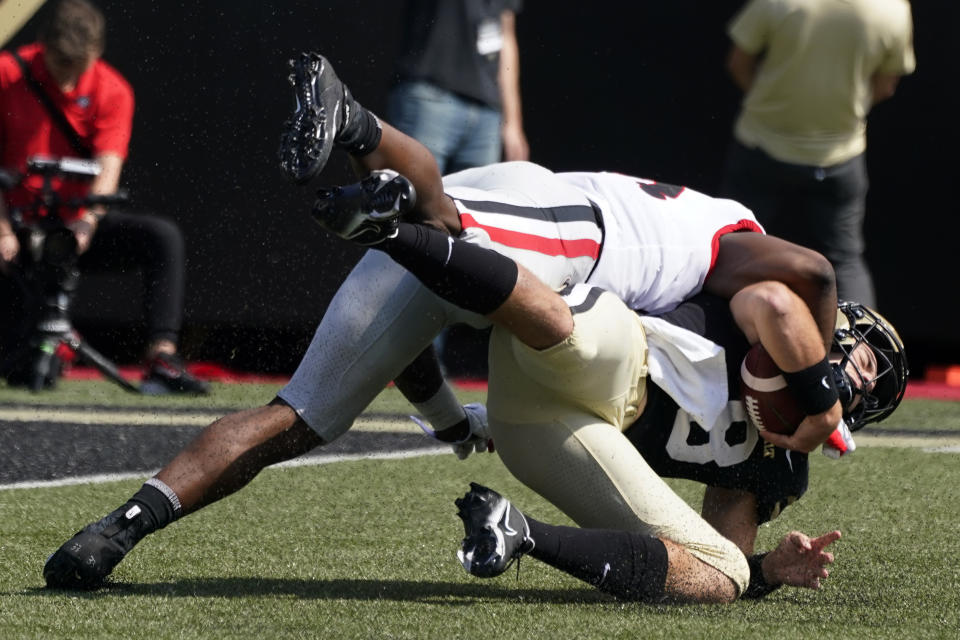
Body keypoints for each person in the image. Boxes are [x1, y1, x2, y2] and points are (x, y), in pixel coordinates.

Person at [41, 50, 844, 591]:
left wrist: (448, 424)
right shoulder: (728, 235)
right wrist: (823, 392)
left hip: (497, 251)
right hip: (577, 227)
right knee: (449, 230)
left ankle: (120, 527)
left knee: (301, 416)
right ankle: (363, 139)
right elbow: (806, 277)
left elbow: (411, 351)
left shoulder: (714, 295)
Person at [309, 208, 906, 601]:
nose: (863, 381)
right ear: (839, 328)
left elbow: (725, 545)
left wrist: (769, 570)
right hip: (624, 360)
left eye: (873, 391)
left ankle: (518, 533)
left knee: (721, 576)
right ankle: (402, 235)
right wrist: (816, 397)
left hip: (554, 433)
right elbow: (776, 302)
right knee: (570, 334)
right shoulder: (784, 327)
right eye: (867, 361)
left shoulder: (785, 466)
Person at [0, 0, 208, 394]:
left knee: (161, 237)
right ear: (41, 45)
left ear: (95, 55)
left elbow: (108, 165)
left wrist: (87, 221)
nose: (66, 82)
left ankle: (162, 355)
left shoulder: (113, 90)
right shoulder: (7, 75)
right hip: (15, 229)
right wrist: (3, 230)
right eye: (60, 64)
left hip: (74, 227)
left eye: (77, 68)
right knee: (19, 364)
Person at [721, 0, 916, 308]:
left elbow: (738, 63)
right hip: (840, 157)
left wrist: (770, 104)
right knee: (846, 260)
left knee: (732, 245)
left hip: (761, 149)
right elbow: (885, 86)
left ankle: (705, 341)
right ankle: (862, 351)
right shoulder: (892, 8)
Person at [388, 0, 529, 173]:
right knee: (417, 195)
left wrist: (513, 123)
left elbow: (506, 35)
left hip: (487, 115)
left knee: (475, 199)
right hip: (430, 98)